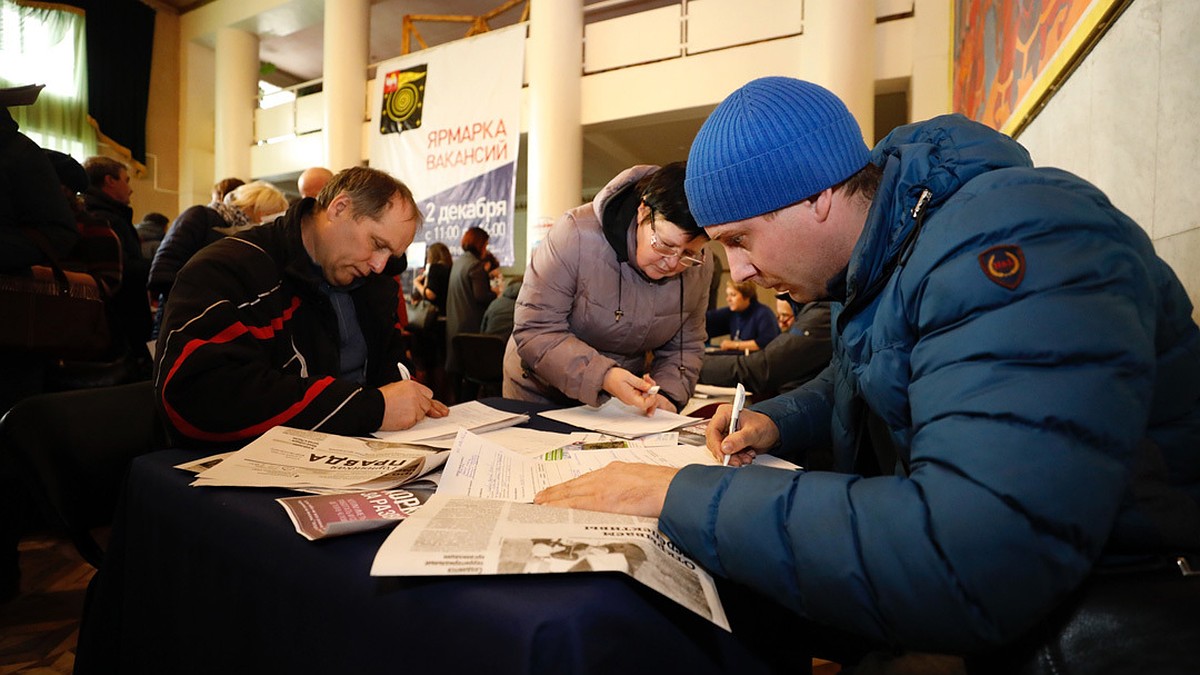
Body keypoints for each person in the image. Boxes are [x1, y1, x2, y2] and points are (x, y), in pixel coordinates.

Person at [534, 77, 1200, 667]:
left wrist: (681, 493)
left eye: (738, 239)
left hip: (1115, 606)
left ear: (816, 197)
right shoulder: (899, 244)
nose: (735, 272)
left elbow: (975, 558)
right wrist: (778, 419)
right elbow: (886, 372)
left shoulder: (1019, 239)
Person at [154, 166, 449, 448]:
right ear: (339, 208)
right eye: (376, 243)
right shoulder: (228, 271)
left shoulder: (372, 286)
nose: (379, 264)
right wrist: (372, 408)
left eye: (391, 254)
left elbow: (391, 370)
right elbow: (198, 397)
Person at [503, 163, 711, 414]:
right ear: (643, 211)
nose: (674, 263)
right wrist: (604, 376)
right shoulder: (575, 235)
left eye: (688, 253)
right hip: (540, 391)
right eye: (664, 245)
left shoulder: (699, 265)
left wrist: (667, 396)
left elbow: (685, 347)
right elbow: (536, 329)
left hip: (618, 403)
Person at [148, 180, 289, 336]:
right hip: (183, 316)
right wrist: (192, 305)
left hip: (217, 320)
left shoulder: (247, 234)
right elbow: (164, 267)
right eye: (268, 215)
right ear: (254, 206)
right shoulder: (201, 216)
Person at [83, 156, 153, 368]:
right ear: (110, 181)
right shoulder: (105, 219)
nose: (130, 188)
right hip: (119, 320)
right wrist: (158, 266)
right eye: (126, 180)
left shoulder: (108, 215)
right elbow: (122, 271)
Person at [699, 295, 831, 400]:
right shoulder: (734, 314)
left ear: (746, 296)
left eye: (733, 294)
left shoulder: (823, 314)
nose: (781, 324)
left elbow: (762, 368)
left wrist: (692, 366)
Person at [445, 226, 496, 400]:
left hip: (454, 324)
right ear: (480, 243)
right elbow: (481, 296)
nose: (486, 249)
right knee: (471, 380)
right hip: (471, 325)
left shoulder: (458, 263)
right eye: (486, 245)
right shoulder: (475, 265)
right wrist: (496, 293)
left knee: (457, 379)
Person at [705, 279, 780, 352]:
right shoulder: (733, 312)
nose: (728, 299)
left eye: (733, 295)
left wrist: (734, 345)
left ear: (747, 296)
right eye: (728, 295)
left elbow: (766, 343)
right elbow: (707, 319)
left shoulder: (763, 313)